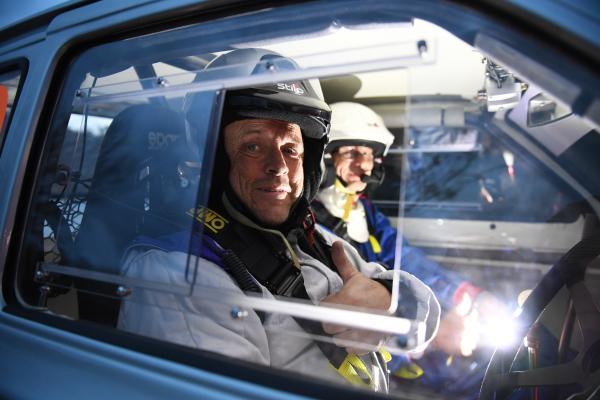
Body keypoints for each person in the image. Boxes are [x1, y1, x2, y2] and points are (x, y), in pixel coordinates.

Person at [117, 49, 439, 393]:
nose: (280, 166)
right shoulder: (178, 273)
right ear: (213, 158)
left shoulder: (316, 240)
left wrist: (389, 298)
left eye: (291, 149)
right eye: (253, 146)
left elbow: (423, 313)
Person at [313, 102, 507, 391]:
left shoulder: (364, 210)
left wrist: (466, 294)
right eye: (353, 153)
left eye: (370, 155)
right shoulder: (311, 221)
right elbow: (347, 323)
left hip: (394, 342)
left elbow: (405, 257)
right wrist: (425, 340)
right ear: (326, 156)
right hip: (352, 358)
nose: (364, 165)